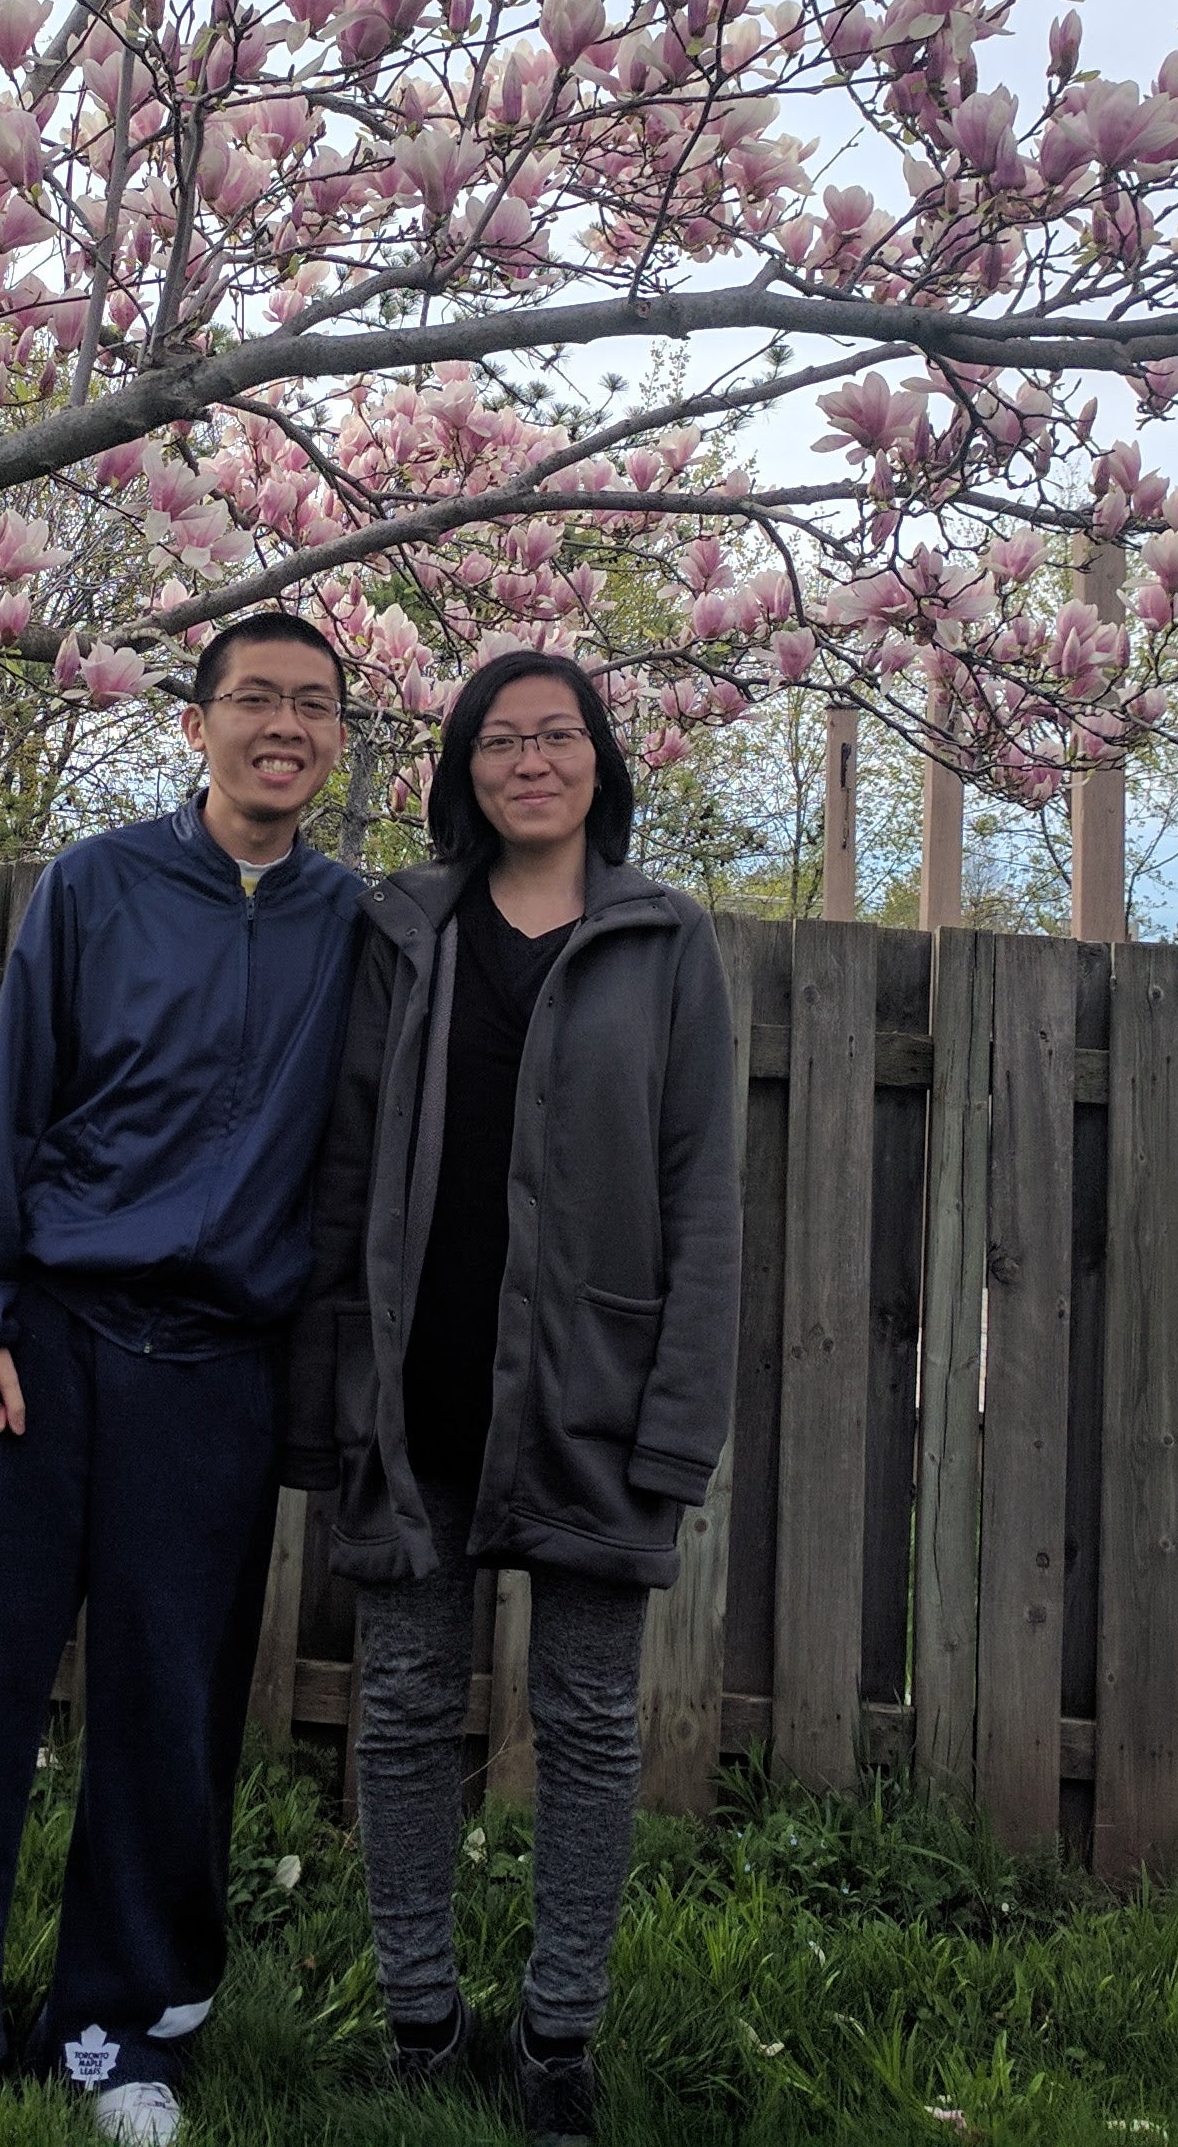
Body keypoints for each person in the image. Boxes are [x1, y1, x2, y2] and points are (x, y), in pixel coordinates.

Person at [0, 616, 366, 2147]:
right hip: (45, 1348)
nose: (285, 726)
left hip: (214, 1372)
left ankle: (116, 2035)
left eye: (315, 705)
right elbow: (7, 1107)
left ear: (339, 742)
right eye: (256, 699)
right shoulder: (95, 887)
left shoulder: (360, 926)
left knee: (170, 1713)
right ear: (196, 725)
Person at [283, 652, 740, 2147]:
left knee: (590, 1721)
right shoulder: (403, 929)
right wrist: (333, 1384)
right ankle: (421, 2020)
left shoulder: (665, 942)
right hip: (417, 1391)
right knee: (406, 1710)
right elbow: (348, 1163)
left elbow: (704, 1193)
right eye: (497, 739)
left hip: (592, 1395)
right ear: (462, 769)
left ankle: (560, 2038)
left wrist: (679, 1420)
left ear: (601, 759)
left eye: (556, 735)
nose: (528, 761)